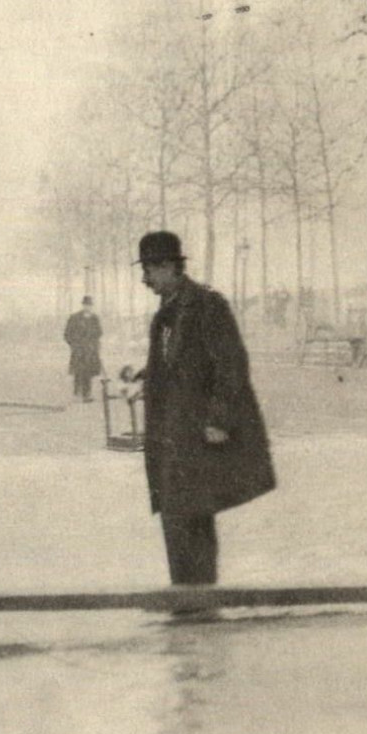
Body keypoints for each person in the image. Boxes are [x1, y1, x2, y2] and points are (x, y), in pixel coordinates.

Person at [130, 231, 276, 587]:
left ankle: (195, 598)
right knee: (178, 517)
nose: (144, 280)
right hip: (172, 438)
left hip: (196, 436)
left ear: (169, 266)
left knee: (190, 517)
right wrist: (146, 377)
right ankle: (191, 597)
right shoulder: (167, 313)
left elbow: (231, 364)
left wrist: (220, 420)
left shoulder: (207, 305)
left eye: (149, 270)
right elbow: (180, 362)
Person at [63, 295, 104, 402]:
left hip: (90, 351)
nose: (88, 307)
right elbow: (67, 334)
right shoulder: (74, 318)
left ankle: (87, 394)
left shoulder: (95, 319)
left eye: (90, 305)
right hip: (78, 351)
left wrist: (94, 345)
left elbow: (99, 333)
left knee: (88, 372)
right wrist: (74, 345)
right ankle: (77, 394)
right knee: (78, 372)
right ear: (83, 305)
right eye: (86, 305)